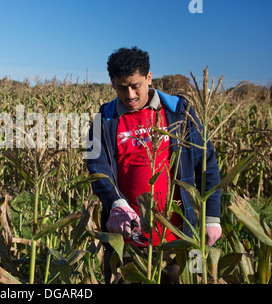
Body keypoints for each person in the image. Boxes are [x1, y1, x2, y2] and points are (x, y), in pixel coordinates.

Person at [86, 46, 222, 283]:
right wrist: (115, 203)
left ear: (148, 78)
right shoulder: (104, 121)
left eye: (135, 85)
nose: (130, 94)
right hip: (127, 240)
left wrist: (212, 218)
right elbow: (98, 167)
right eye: (122, 87)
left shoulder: (180, 113)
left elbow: (206, 164)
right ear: (112, 82)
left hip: (179, 237)